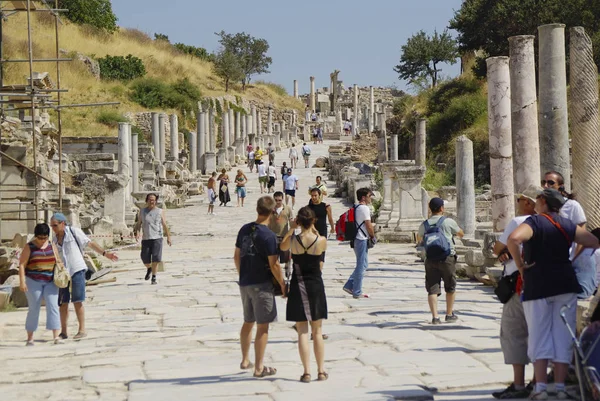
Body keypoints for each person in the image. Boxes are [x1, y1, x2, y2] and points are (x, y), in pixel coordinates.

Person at [507, 188, 600, 400]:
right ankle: (559, 387)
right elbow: (593, 242)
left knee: (539, 334)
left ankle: (540, 387)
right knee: (562, 335)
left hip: (538, 284)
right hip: (565, 284)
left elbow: (514, 239)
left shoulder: (535, 222)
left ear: (542, 201)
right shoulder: (568, 224)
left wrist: (520, 265)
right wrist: (571, 262)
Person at [491, 185, 540, 400]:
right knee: (540, 335)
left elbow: (497, 248)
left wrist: (506, 254)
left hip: (518, 284)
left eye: (520, 198)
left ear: (529, 202)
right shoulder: (555, 223)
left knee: (513, 333)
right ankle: (540, 382)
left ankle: (519, 384)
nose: (518, 202)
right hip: (546, 286)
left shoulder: (519, 222)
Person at [235, 196, 286, 378]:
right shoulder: (269, 236)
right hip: (262, 284)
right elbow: (274, 265)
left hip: (245, 282)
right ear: (272, 212)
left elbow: (236, 256)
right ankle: (259, 368)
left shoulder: (244, 229)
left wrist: (243, 274)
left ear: (257, 209)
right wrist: (282, 283)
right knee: (263, 326)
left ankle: (245, 360)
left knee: (248, 321)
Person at [280, 206, 329, 383]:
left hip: (298, 284)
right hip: (315, 285)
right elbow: (320, 260)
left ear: (299, 221)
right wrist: (313, 227)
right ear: (314, 220)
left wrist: (292, 228)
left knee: (302, 332)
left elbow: (282, 247)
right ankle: (321, 371)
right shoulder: (321, 240)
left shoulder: (293, 241)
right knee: (317, 331)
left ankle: (307, 372)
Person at [51, 213, 118, 340]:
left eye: (55, 225)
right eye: (52, 226)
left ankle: (82, 329)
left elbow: (90, 243)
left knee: (78, 300)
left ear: (62, 223)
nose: (53, 228)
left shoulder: (74, 232)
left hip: (77, 269)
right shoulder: (54, 240)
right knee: (63, 302)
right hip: (63, 274)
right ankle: (63, 332)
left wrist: (105, 254)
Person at [542, 171, 597, 299]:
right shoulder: (543, 206)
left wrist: (573, 260)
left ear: (560, 186)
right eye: (543, 182)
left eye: (550, 182)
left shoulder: (572, 206)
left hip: (569, 259)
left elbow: (582, 236)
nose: (546, 185)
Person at [417, 198, 464, 324]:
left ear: (430, 209)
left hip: (430, 258)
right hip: (447, 258)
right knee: (450, 286)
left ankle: (435, 317)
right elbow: (461, 233)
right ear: (442, 208)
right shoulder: (448, 222)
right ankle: (449, 314)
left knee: (432, 288)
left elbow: (419, 238)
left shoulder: (425, 224)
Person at [18, 223, 62, 345]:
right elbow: (22, 264)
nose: (42, 240)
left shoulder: (52, 245)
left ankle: (56, 336)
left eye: (45, 237)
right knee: (34, 308)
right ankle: (30, 337)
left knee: (53, 306)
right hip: (33, 281)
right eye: (40, 238)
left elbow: (58, 261)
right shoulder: (29, 247)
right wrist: (22, 281)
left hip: (51, 281)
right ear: (35, 236)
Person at [343, 188, 376, 299]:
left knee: (364, 264)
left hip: (357, 238)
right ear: (363, 197)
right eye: (369, 196)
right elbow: (368, 225)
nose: (370, 198)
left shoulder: (356, 207)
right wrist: (373, 236)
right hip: (361, 239)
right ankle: (357, 291)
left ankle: (349, 285)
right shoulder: (364, 208)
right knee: (361, 265)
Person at [134, 193, 172, 285]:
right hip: (146, 238)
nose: (152, 201)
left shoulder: (160, 211)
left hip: (157, 238)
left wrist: (168, 237)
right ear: (146, 201)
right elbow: (139, 223)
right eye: (150, 199)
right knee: (144, 258)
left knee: (156, 259)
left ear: (156, 201)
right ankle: (149, 268)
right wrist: (137, 232)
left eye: (154, 200)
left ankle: (154, 277)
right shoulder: (142, 211)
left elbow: (164, 225)